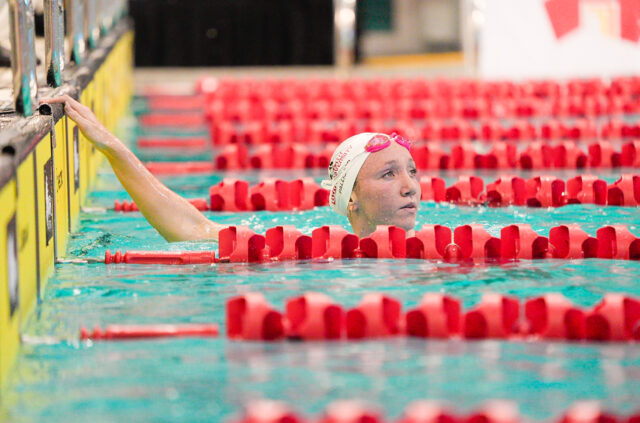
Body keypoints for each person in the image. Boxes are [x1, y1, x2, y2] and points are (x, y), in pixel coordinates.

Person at [41, 95, 421, 241]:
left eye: (412, 171)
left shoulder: (454, 244)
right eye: (389, 173)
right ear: (350, 195)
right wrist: (113, 148)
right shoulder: (304, 245)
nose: (411, 187)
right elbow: (192, 228)